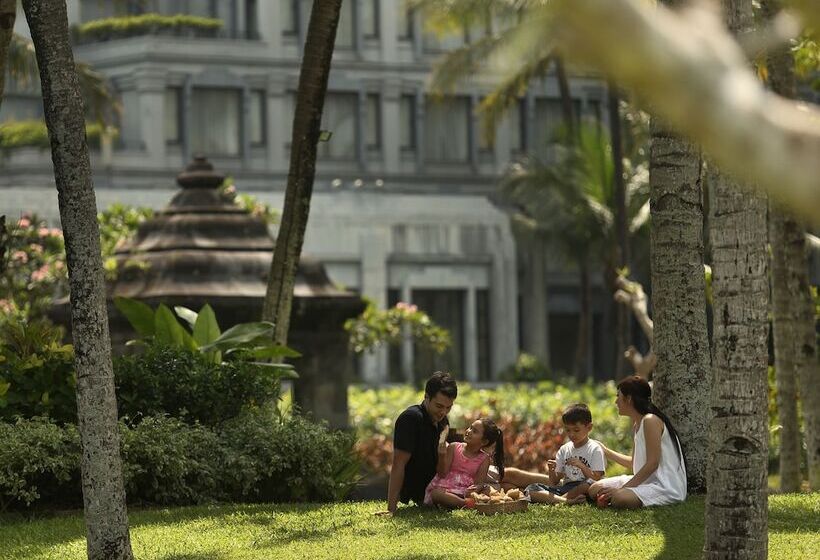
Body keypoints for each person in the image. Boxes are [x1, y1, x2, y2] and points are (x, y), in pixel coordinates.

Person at [587, 375, 687, 508]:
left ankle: (618, 496)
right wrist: (606, 452)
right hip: (645, 481)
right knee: (594, 488)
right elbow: (633, 463)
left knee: (619, 498)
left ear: (628, 399)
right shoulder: (637, 424)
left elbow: (652, 464)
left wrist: (622, 489)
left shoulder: (650, 420)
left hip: (664, 486)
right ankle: (618, 495)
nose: (616, 402)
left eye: (618, 396)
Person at [376, 371, 458, 515]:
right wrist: (391, 509)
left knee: (506, 477)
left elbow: (444, 467)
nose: (443, 412)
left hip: (447, 482)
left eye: (448, 407)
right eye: (439, 406)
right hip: (427, 491)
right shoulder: (411, 419)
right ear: (426, 396)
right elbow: (398, 464)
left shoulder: (442, 421)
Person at [524, 403, 606, 505]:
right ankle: (566, 500)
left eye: (576, 430)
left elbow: (597, 478)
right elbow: (554, 481)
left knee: (587, 485)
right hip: (566, 488)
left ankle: (557, 500)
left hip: (586, 488)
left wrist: (581, 466)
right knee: (530, 489)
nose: (571, 434)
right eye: (568, 430)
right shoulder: (564, 449)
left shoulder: (595, 449)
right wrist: (551, 470)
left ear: (589, 427)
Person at [425, 418, 505, 508]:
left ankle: (457, 503)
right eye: (470, 428)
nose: (469, 431)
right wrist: (442, 455)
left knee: (486, 490)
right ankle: (465, 504)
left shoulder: (484, 459)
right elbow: (442, 473)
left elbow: (479, 482)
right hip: (446, 489)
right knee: (436, 494)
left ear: (484, 441)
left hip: (465, 492)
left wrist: (476, 488)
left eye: (474, 431)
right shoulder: (453, 447)